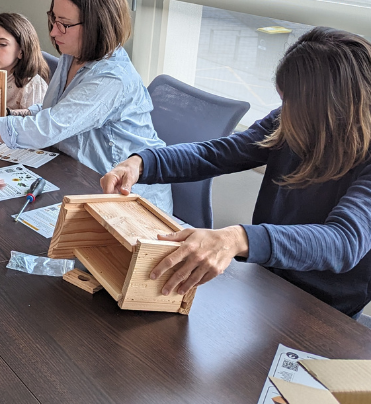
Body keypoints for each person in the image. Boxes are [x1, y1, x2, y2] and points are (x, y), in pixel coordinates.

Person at [101, 27, 371, 319]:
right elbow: (217, 154)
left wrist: (237, 238)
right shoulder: (291, 116)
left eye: (291, 102)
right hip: (267, 283)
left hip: (327, 310)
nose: (284, 112)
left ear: (328, 108)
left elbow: (343, 241)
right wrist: (143, 162)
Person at [0, 0, 172, 212]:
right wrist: (9, 115)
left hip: (130, 199)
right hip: (82, 177)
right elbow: (52, 111)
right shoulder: (73, 53)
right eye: (53, 20)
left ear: (97, 26)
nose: (54, 33)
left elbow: (46, 128)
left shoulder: (112, 79)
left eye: (64, 25)